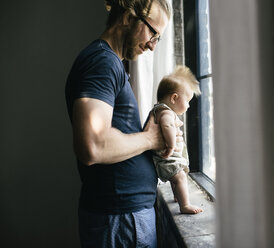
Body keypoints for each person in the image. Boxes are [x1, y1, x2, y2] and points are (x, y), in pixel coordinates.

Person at [65, 0, 174, 247]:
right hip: (120, 222)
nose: (153, 45)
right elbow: (92, 145)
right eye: (152, 32)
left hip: (123, 219)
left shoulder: (110, 62)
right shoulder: (101, 62)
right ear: (127, 16)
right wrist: (150, 138)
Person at [151, 66, 203, 214]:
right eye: (187, 101)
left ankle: (178, 197)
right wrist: (171, 146)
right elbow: (167, 126)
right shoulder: (165, 112)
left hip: (168, 157)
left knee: (178, 177)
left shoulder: (160, 110)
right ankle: (184, 205)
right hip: (166, 157)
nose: (188, 106)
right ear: (174, 98)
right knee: (179, 176)